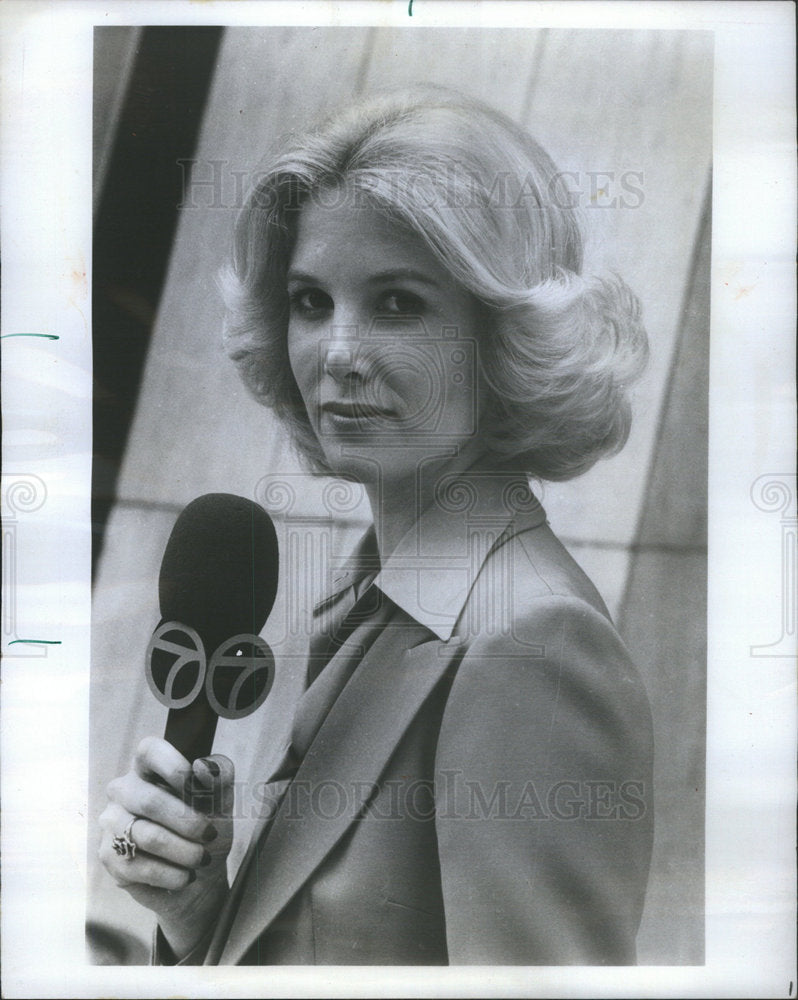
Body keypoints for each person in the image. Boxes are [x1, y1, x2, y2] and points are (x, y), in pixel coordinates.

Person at [99, 85, 654, 965]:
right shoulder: (381, 604)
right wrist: (202, 915)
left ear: (505, 335)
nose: (338, 352)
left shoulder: (532, 645)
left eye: (398, 304)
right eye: (311, 302)